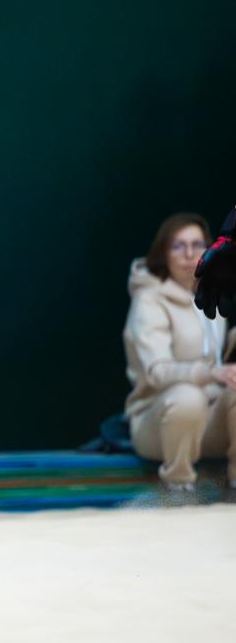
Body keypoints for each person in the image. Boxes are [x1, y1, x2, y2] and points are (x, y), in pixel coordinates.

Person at [123, 212, 236, 501]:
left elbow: (219, 360)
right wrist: (210, 373)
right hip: (160, 421)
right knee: (187, 397)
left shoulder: (211, 292)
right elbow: (157, 373)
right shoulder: (149, 300)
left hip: (208, 419)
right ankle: (178, 487)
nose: (189, 254)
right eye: (178, 246)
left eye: (197, 245)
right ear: (164, 253)